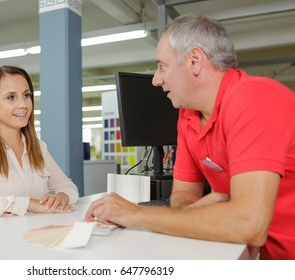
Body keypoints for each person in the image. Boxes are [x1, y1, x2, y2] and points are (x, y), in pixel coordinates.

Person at [85, 14, 295, 260]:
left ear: (195, 60)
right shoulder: (188, 115)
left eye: (162, 66)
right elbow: (184, 195)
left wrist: (135, 214)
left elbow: (249, 226)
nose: (156, 79)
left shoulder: (253, 99)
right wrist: (193, 215)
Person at [0, 65, 79, 220]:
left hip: (34, 237)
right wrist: (27, 204)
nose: (23, 104)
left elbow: (69, 187)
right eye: (11, 97)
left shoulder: (38, 147)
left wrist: (62, 196)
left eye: (26, 95)